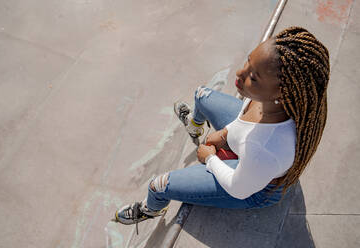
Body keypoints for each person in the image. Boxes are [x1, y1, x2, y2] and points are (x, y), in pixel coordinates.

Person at [112, 26, 330, 229]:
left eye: (253, 77)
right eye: (248, 62)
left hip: (252, 186)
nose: (239, 73)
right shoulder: (270, 100)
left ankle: (151, 209)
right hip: (250, 154)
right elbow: (247, 122)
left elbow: (238, 188)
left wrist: (210, 158)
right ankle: (195, 127)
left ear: (281, 93)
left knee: (157, 185)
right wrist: (226, 134)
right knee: (201, 95)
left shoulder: (266, 149)